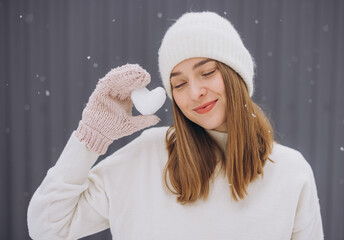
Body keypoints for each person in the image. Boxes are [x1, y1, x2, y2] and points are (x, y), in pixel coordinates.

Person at [27, 11, 324, 240]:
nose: (195, 92)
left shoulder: (291, 173)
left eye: (207, 72)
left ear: (237, 76)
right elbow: (48, 227)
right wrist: (90, 136)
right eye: (179, 83)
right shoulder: (144, 157)